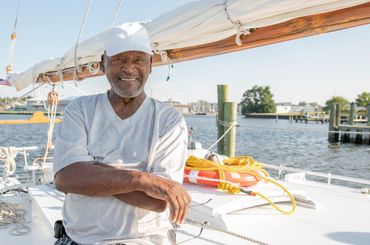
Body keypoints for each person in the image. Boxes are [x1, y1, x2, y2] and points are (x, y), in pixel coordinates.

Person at [53, 22, 191, 245]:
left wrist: (91, 173)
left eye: (138, 60)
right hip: (79, 240)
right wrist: (142, 179)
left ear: (150, 64)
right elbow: (66, 179)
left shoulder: (168, 119)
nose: (129, 68)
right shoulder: (80, 110)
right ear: (103, 64)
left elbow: (158, 201)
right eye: (119, 60)